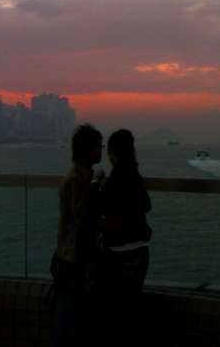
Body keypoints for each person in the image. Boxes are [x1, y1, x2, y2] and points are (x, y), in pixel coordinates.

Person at [97, 128, 152, 345]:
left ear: (112, 153)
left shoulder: (114, 179)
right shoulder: (134, 175)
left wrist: (99, 187)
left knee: (115, 313)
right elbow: (146, 205)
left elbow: (102, 209)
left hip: (118, 254)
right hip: (139, 251)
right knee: (131, 308)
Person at [52, 123, 104, 347]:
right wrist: (96, 185)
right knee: (71, 314)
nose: (101, 151)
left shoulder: (82, 176)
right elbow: (81, 214)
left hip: (75, 254)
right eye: (98, 146)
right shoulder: (76, 179)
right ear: (86, 150)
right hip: (73, 257)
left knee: (74, 313)